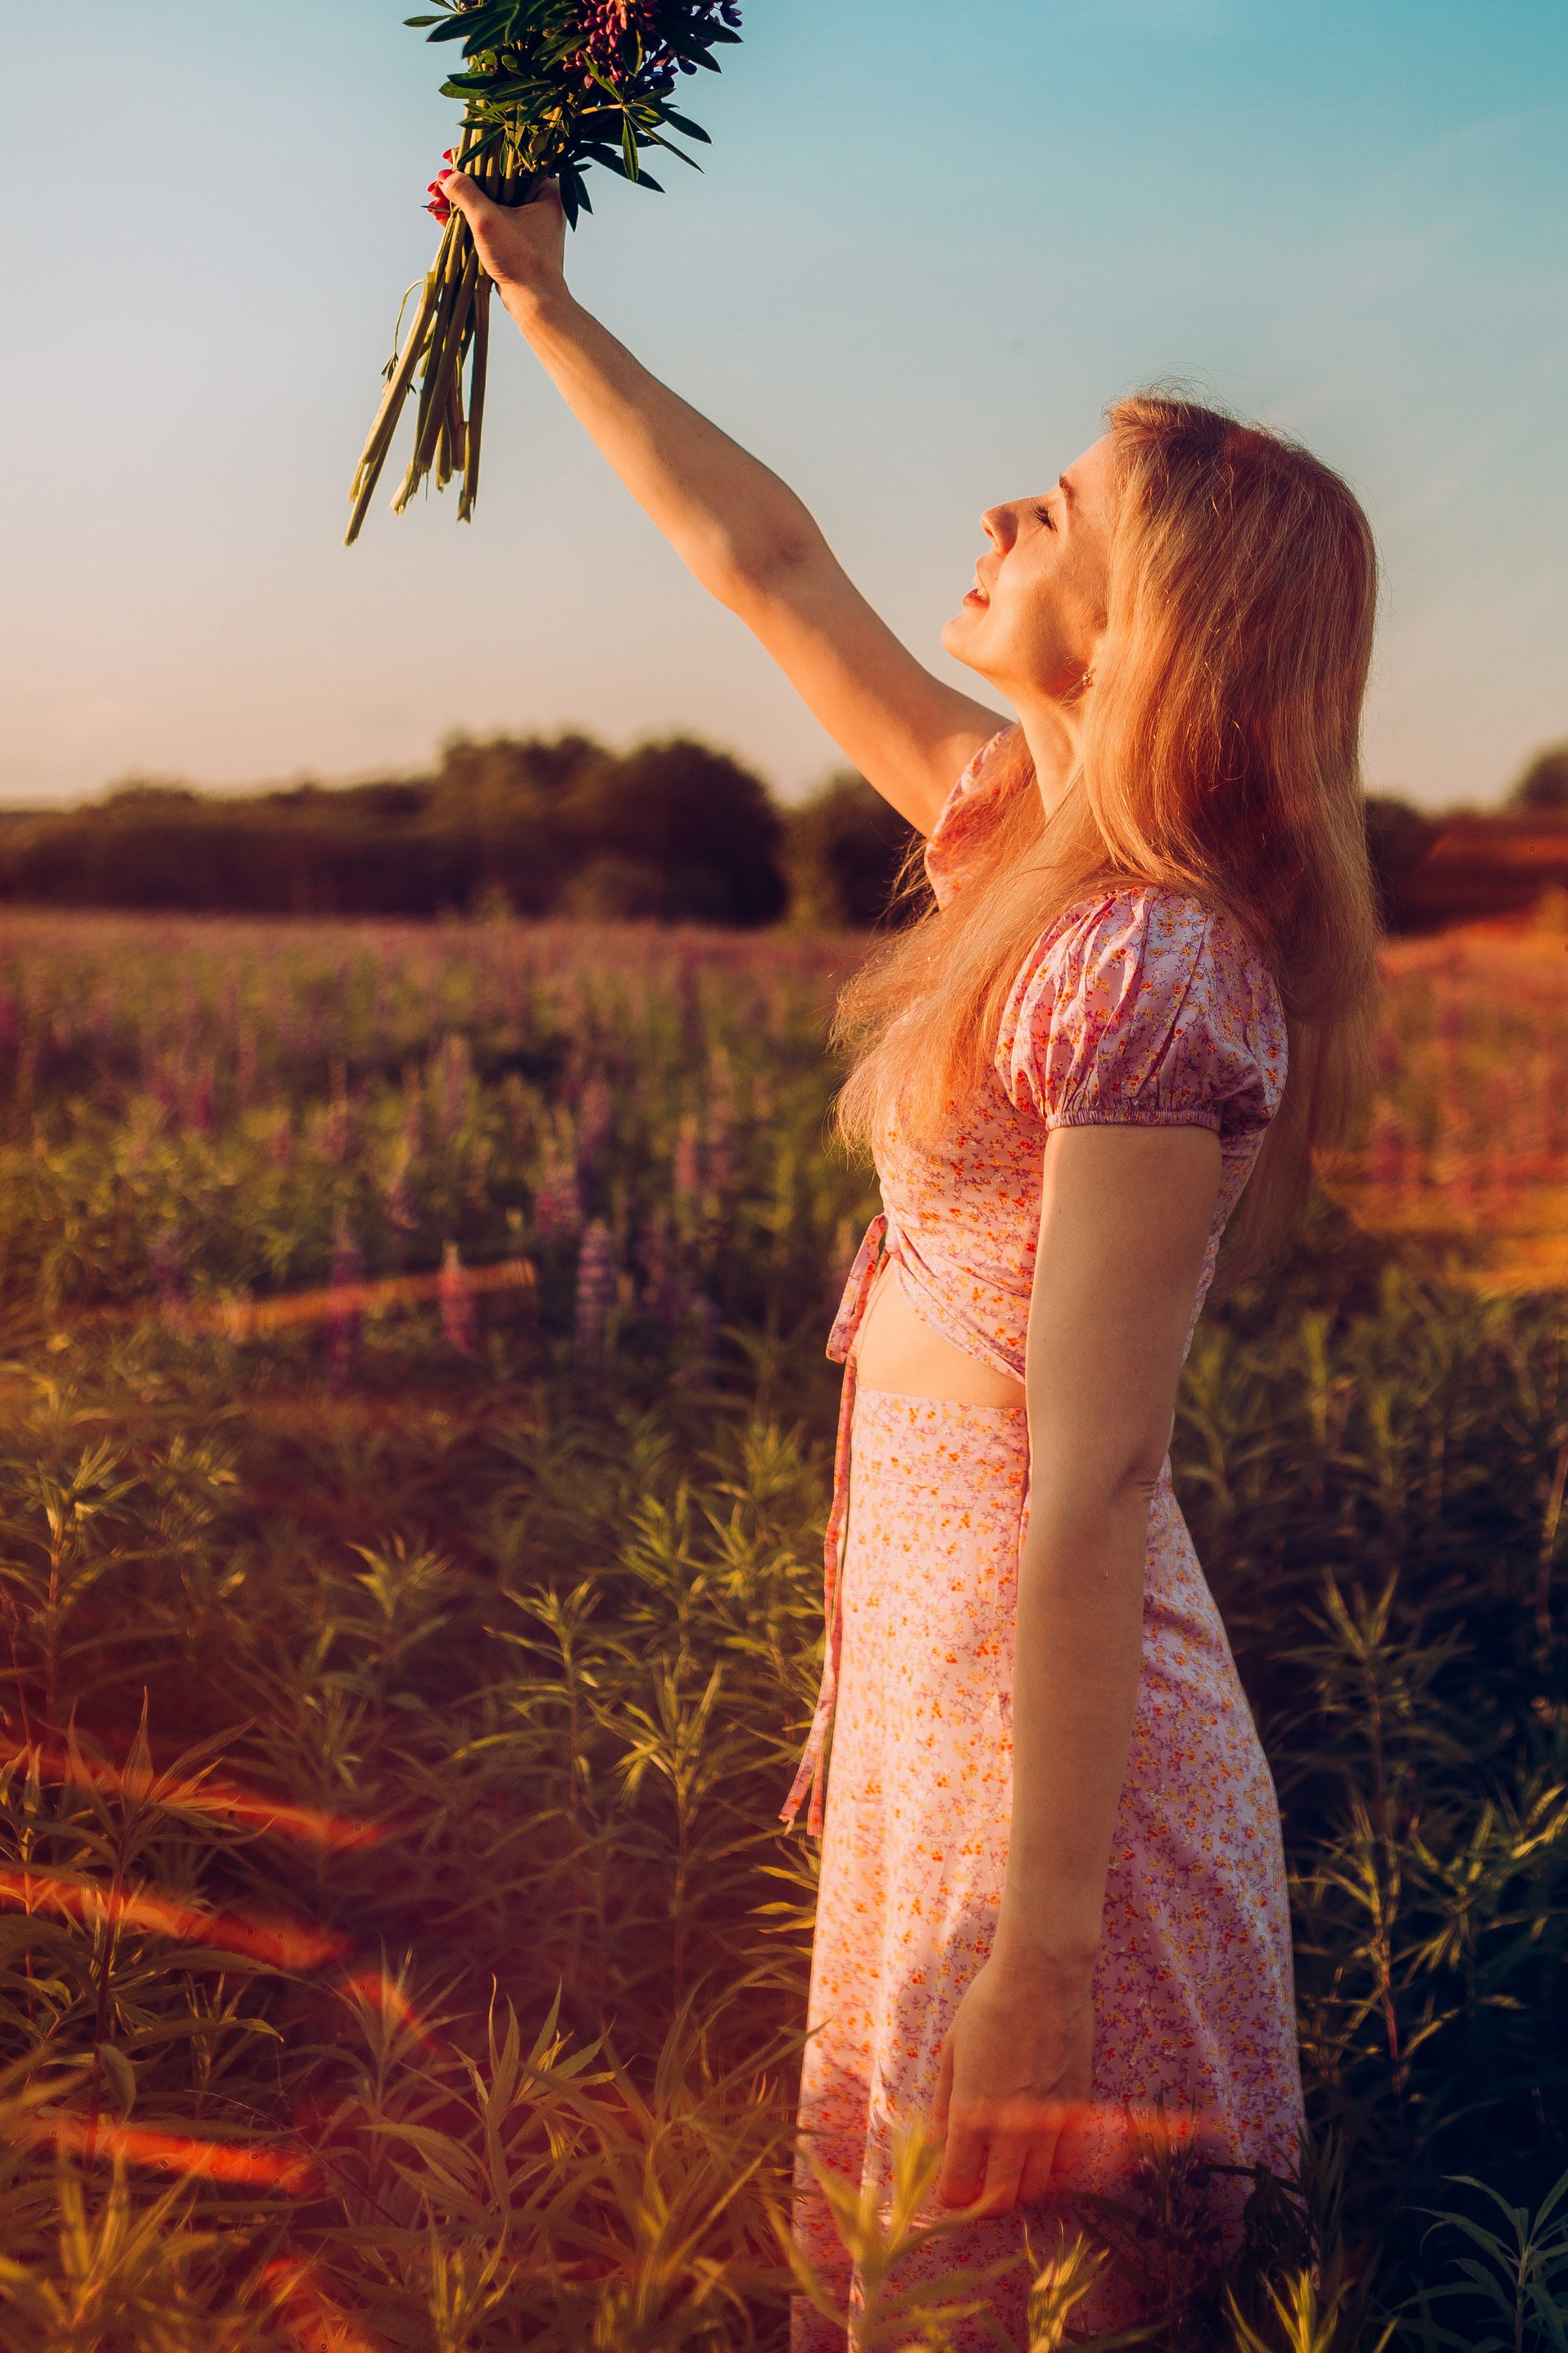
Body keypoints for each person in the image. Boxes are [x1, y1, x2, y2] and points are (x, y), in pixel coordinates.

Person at [445, 170, 1380, 2338]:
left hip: (1061, 1788)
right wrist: (548, 304)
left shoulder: (1152, 965)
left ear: (1157, 614)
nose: (995, 511)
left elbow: (1096, 1479)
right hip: (948, 1712)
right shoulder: (1012, 847)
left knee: (994, 2299)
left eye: (1053, 508)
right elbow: (763, 568)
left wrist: (1047, 1947)